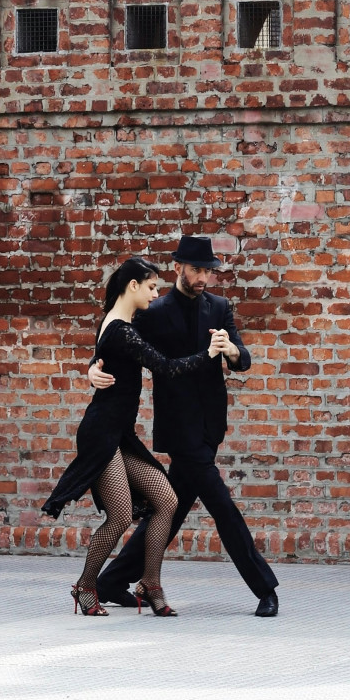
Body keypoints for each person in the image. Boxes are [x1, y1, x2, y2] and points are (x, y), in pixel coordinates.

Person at [89, 236, 281, 617]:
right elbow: (115, 336)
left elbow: (243, 360)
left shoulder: (220, 308)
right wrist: (93, 366)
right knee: (223, 507)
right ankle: (265, 588)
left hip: (211, 426)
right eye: (196, 269)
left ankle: (111, 581)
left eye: (208, 270)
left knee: (169, 510)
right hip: (180, 428)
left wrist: (232, 351)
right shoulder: (154, 310)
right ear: (179, 267)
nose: (203, 277)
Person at [42, 257, 229, 616]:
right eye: (151, 287)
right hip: (102, 433)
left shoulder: (119, 322)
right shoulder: (122, 330)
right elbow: (166, 367)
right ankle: (85, 585)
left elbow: (100, 357)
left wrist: (90, 369)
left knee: (166, 500)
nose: (156, 293)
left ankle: (150, 582)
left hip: (119, 434)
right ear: (133, 286)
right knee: (120, 515)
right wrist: (208, 355)